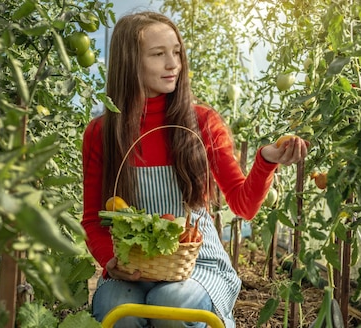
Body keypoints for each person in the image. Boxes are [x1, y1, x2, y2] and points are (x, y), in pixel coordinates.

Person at [82, 11, 309, 328]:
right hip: (132, 262)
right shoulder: (101, 133)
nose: (173, 64)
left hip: (196, 262)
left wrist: (266, 160)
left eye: (176, 52)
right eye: (158, 54)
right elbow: (93, 219)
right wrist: (111, 261)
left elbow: (243, 205)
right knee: (121, 311)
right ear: (128, 62)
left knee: (171, 303)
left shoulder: (201, 122)